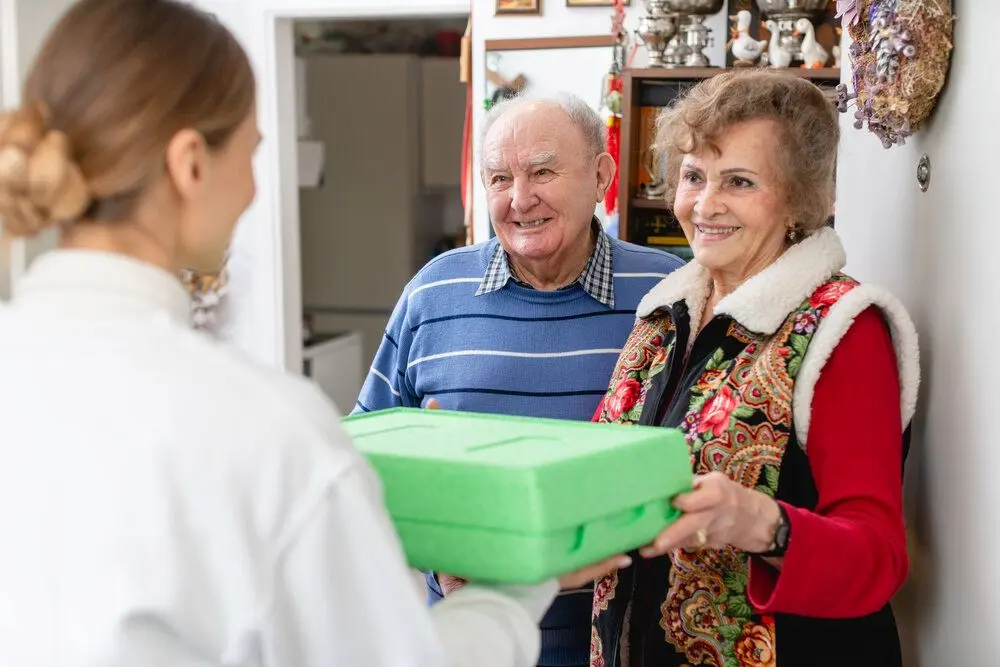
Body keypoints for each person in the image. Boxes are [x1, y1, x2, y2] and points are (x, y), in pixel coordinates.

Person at [0, 2, 626, 666]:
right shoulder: (261, 424)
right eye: (252, 153)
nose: (250, 190)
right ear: (190, 165)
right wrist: (517, 581)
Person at [588, 70, 920, 667]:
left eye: (739, 181)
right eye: (693, 176)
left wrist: (759, 521)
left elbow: (879, 559)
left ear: (798, 198)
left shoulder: (843, 328)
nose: (705, 204)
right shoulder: (663, 316)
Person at [354, 93, 684, 666]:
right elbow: (361, 462)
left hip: (626, 643)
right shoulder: (433, 292)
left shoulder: (668, 292)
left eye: (543, 172)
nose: (519, 199)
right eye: (499, 178)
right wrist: (435, 547)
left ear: (601, 174)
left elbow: (700, 455)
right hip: (465, 642)